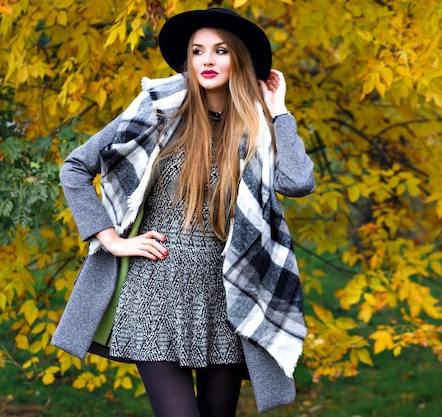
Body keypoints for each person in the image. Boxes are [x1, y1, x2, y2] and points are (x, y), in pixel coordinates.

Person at [51, 7, 315, 416]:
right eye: (198, 51)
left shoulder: (257, 127)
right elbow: (76, 168)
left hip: (227, 297)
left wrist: (279, 110)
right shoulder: (158, 109)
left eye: (220, 50)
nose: (207, 61)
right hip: (154, 291)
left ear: (239, 59)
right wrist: (111, 240)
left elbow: (298, 182)